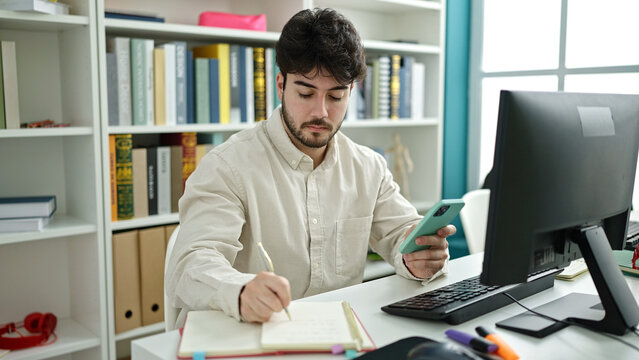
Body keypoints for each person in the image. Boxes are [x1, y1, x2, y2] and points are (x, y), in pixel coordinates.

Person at [165, 8, 455, 327]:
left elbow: (403, 234)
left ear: (350, 94)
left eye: (335, 96)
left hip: (336, 337)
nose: (321, 112)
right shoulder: (227, 166)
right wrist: (240, 291)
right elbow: (190, 263)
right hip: (249, 335)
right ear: (280, 85)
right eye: (305, 93)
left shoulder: (368, 167)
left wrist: (418, 258)